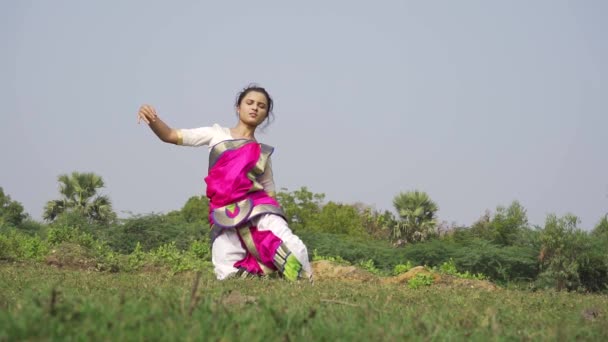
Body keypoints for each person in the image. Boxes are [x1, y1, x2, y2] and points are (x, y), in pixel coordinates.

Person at [137, 84, 313, 282]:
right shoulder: (216, 134)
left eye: (261, 106)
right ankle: (254, 289)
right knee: (226, 265)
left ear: (265, 115)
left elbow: (270, 192)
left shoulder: (262, 152)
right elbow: (170, 135)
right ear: (238, 107)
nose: (255, 108)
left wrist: (278, 217)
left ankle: (303, 282)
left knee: (289, 244)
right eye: (250, 103)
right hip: (224, 211)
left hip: (258, 208)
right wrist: (152, 118)